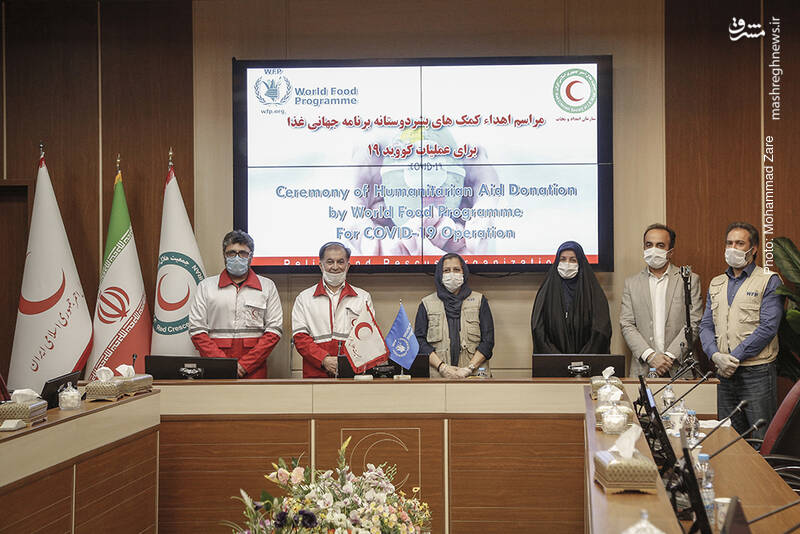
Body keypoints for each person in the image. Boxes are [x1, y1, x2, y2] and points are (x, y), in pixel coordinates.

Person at [699, 222, 782, 439]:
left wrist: (732, 358)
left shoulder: (769, 280)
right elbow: (706, 325)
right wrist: (716, 356)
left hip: (757, 373)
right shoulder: (716, 283)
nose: (732, 248)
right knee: (728, 438)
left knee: (760, 439)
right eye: (729, 243)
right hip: (723, 373)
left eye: (739, 243)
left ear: (753, 249)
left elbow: (768, 327)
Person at [188, 230, 283, 378]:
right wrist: (224, 365)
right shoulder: (206, 287)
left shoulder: (267, 286)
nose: (237, 257)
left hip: (254, 369)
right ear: (224, 255)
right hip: (215, 367)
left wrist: (245, 365)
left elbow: (274, 331)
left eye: (243, 253)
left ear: (251, 256)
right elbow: (197, 330)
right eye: (231, 253)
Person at [621, 224, 703, 377]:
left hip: (680, 367)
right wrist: (650, 356)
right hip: (644, 368)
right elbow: (627, 324)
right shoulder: (631, 283)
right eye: (649, 245)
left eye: (660, 245)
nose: (653, 249)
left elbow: (694, 322)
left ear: (670, 252)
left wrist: (669, 357)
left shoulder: (689, 279)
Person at [292, 242, 374, 378]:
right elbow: (300, 338)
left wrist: (343, 363)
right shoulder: (304, 298)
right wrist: (323, 359)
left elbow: (366, 337)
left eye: (340, 262)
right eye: (330, 262)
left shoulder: (363, 298)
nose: (335, 267)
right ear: (321, 265)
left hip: (351, 374)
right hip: (315, 375)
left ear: (348, 265)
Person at [414, 253, 494, 378]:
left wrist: (469, 369)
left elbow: (488, 342)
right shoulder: (426, 304)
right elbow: (419, 342)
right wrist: (442, 367)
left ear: (464, 273)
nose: (452, 274)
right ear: (440, 275)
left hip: (474, 376)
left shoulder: (479, 301)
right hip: (439, 376)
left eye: (456, 270)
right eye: (446, 270)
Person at [531, 241, 611, 354]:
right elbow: (538, 328)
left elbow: (601, 329)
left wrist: (581, 359)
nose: (567, 264)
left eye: (573, 260)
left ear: (580, 263)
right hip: (552, 361)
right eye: (562, 259)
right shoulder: (547, 290)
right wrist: (557, 359)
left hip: (587, 361)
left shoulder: (592, 291)